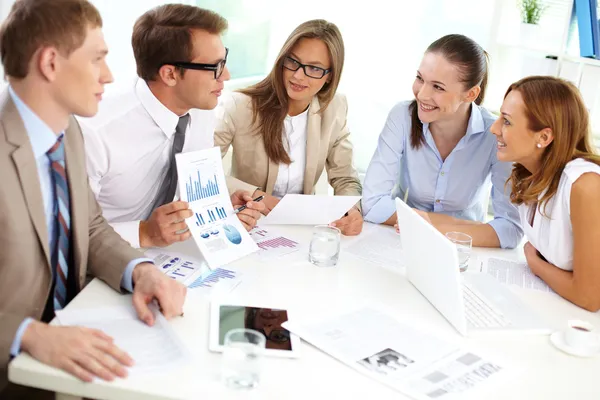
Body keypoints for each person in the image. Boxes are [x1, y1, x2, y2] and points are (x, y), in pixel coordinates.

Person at [0, 1, 186, 397]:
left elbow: (90, 225)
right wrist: (28, 334)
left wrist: (139, 270)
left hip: (79, 347)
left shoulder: (68, 130)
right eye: (97, 59)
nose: (109, 75)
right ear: (50, 63)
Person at [79, 4, 264, 249]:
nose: (227, 75)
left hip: (169, 255)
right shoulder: (95, 131)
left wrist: (221, 207)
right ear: (170, 75)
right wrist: (144, 233)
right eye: (215, 67)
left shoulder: (200, 109)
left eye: (225, 61)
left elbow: (194, 190)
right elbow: (69, 232)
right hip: (100, 262)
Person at [361, 34, 523, 248]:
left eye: (438, 87)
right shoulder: (402, 116)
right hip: (403, 240)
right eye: (420, 78)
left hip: (463, 249)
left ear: (471, 94)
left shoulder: (494, 134)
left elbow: (510, 230)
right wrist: (457, 225)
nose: (422, 94)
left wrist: (431, 225)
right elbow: (372, 204)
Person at [215, 19, 363, 236]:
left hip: (302, 228)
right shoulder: (239, 105)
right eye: (293, 62)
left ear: (330, 76)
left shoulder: (335, 107)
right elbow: (202, 171)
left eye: (314, 68)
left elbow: (345, 178)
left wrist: (351, 210)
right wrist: (259, 196)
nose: (298, 75)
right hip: (249, 223)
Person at [490, 76, 600, 311]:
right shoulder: (530, 177)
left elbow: (590, 297)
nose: (494, 128)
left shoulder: (585, 185)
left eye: (507, 121)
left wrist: (534, 264)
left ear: (544, 137)